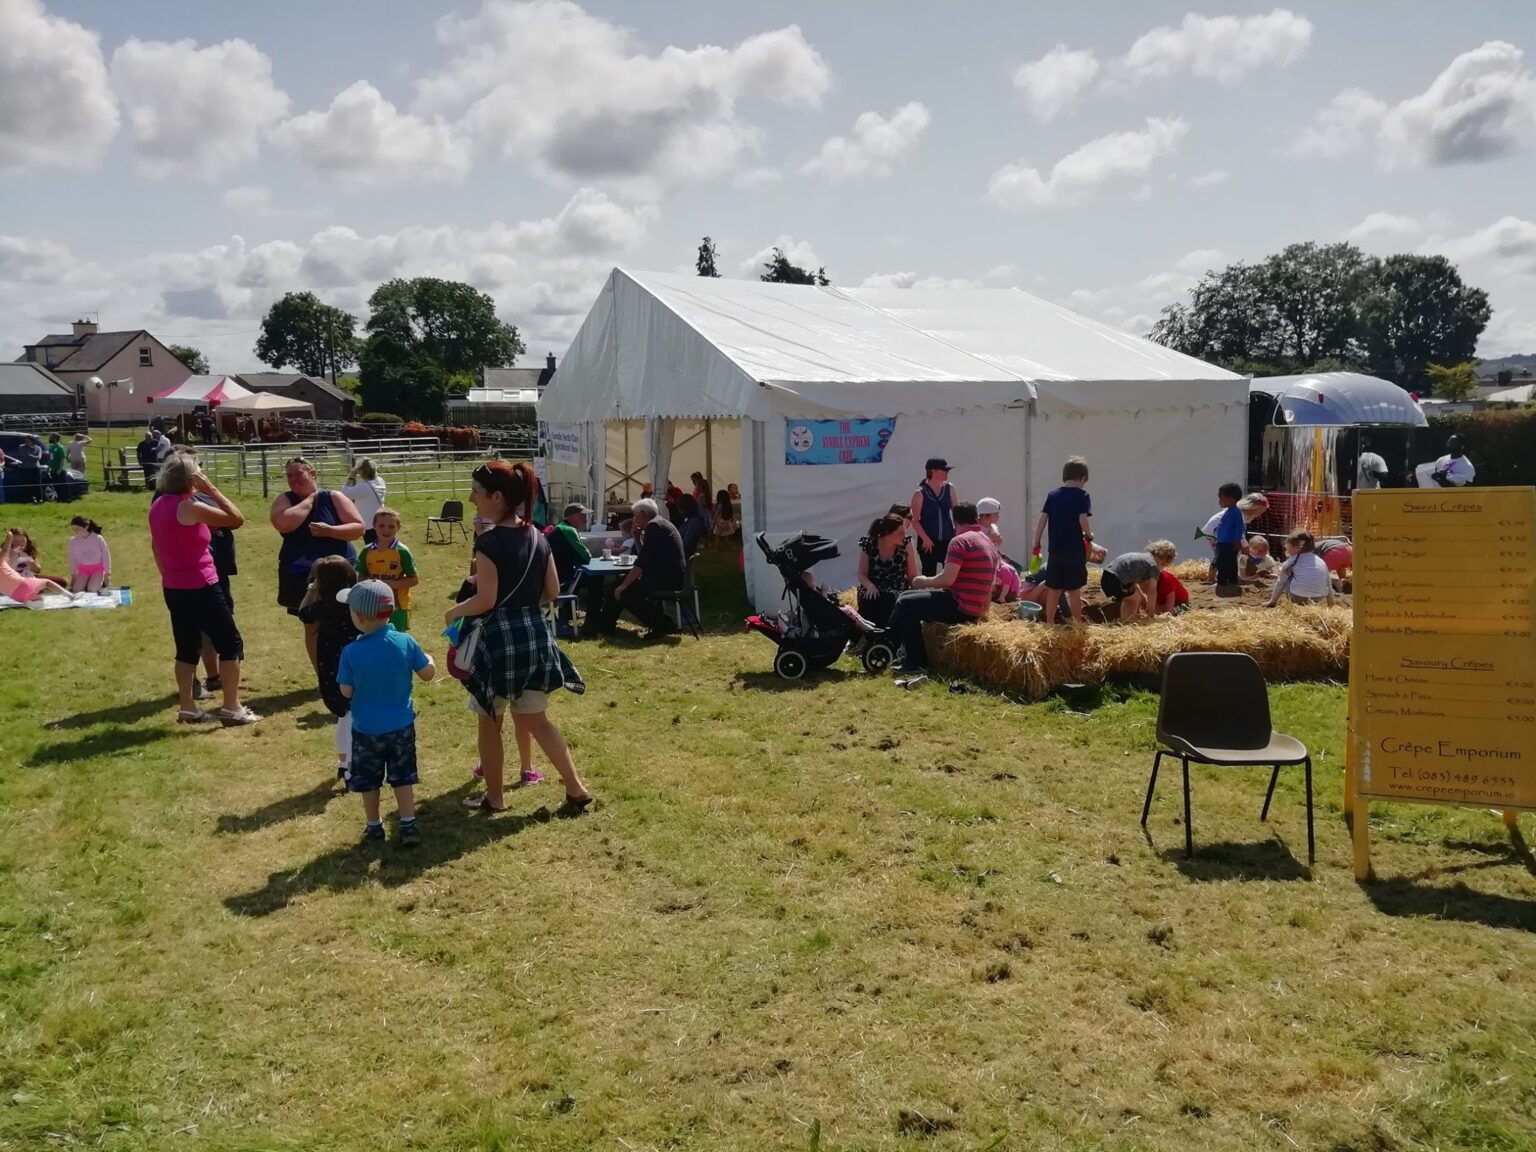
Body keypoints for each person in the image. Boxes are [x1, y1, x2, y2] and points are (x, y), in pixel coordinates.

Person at [446, 460, 593, 815]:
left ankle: (495, 799)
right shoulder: (538, 536)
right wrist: (525, 608)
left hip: (498, 641)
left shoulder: (489, 542)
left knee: (489, 720)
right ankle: (576, 788)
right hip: (536, 635)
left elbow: (486, 600)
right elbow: (553, 590)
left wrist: (455, 611)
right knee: (538, 721)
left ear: (497, 496)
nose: (471, 498)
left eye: (477, 493)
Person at [148, 454, 258, 725]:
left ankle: (188, 706)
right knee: (230, 643)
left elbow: (157, 546)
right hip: (202, 584)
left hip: (174, 586)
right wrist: (212, 490)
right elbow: (236, 519)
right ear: (191, 478)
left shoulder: (159, 504)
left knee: (186, 647)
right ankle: (232, 708)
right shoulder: (188, 507)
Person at [337, 580, 434, 846]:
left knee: (369, 782)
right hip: (401, 727)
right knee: (403, 779)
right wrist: (431, 660)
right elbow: (428, 674)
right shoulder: (405, 641)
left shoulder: (351, 652)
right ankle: (407, 824)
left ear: (358, 616)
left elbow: (345, 691)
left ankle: (374, 826)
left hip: (366, 729)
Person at [270, 457, 364, 671]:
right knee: (312, 624)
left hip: (339, 571)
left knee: (348, 620)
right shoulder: (284, 499)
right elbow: (284, 524)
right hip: (302, 573)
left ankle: (349, 671)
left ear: (313, 473)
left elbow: (358, 528)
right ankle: (323, 673)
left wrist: (330, 530)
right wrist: (311, 499)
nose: (294, 480)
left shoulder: (334, 497)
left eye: (299, 474)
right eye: (289, 476)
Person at [889, 501, 998, 675]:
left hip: (960, 607)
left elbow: (947, 579)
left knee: (904, 604)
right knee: (906, 596)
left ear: (955, 522)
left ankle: (914, 660)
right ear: (976, 519)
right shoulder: (988, 542)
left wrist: (923, 581)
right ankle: (891, 647)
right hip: (978, 607)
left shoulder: (960, 541)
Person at [298, 555, 362, 781]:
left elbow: (303, 613)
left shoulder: (321, 606)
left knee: (343, 716)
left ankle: (343, 762)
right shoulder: (355, 603)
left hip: (330, 665)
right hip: (355, 665)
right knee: (353, 715)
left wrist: (311, 591)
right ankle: (352, 765)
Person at [590, 497, 685, 638]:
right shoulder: (660, 523)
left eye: (635, 516)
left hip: (666, 579)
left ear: (642, 514)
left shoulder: (654, 526)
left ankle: (663, 625)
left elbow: (642, 562)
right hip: (668, 575)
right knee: (616, 584)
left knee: (625, 592)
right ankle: (605, 625)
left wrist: (624, 586)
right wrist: (636, 537)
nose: (634, 519)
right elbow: (646, 555)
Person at [1031, 457, 1093, 626]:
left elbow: (1043, 518)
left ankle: (1049, 622)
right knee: (1074, 590)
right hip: (1073, 550)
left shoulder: (1053, 494)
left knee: (1054, 589)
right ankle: (1077, 624)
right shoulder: (1083, 495)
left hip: (1055, 549)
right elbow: (1082, 518)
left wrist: (1036, 541)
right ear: (1082, 478)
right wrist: (1089, 534)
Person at [354, 507, 418, 632]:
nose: (386, 530)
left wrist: (391, 584)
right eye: (381, 526)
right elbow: (360, 577)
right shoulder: (367, 551)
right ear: (374, 526)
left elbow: (414, 579)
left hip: (398, 606)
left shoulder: (402, 552)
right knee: (373, 636)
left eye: (391, 526)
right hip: (372, 604)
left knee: (396, 638)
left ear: (398, 528)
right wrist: (372, 585)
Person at [857, 511, 918, 628]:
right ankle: (866, 635)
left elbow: (912, 575)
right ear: (887, 533)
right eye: (900, 533)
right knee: (870, 599)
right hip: (873, 585)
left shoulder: (906, 544)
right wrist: (869, 586)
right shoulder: (869, 543)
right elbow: (862, 574)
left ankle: (889, 635)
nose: (904, 536)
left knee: (890, 599)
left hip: (896, 586)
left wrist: (916, 594)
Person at [909, 457, 957, 577]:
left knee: (951, 575)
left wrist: (957, 534)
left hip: (948, 539)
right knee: (929, 575)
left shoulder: (949, 488)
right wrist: (925, 538)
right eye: (944, 470)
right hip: (928, 542)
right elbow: (914, 520)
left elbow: (957, 513)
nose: (947, 472)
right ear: (933, 471)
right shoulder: (920, 493)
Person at [0, 528, 71, 602]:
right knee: (44, 584)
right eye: (16, 541)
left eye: (23, 540)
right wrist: (13, 556)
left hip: (30, 579)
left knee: (62, 581)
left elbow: (38, 570)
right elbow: (6, 572)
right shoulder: (5, 554)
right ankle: (36, 592)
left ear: (26, 540)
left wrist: (32, 564)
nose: (20, 543)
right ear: (11, 542)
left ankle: (35, 593)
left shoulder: (28, 552)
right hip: (15, 582)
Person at [1267, 531, 1335, 607]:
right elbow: (1328, 584)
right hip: (1318, 599)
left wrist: (1273, 601)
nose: (1286, 550)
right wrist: (1331, 603)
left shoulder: (1292, 560)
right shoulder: (1321, 561)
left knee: (1286, 577)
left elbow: (1281, 582)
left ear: (1297, 548)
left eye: (1288, 547)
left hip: (1298, 597)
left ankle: (1291, 603)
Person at [1099, 550, 1161, 621]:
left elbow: (1135, 587)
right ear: (1164, 561)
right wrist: (1151, 615)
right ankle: (1127, 622)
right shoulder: (1154, 566)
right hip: (1116, 579)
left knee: (1135, 595)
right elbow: (1152, 591)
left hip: (1107, 575)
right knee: (1134, 599)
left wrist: (1144, 600)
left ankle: (1131, 618)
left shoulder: (1143, 559)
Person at [1211, 483, 1247, 597]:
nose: (1219, 501)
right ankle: (1230, 581)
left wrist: (1237, 539)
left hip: (1229, 543)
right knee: (1227, 562)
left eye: (1221, 497)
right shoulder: (1229, 511)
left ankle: (1224, 582)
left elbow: (1239, 527)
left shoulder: (1235, 512)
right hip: (1222, 543)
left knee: (1225, 562)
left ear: (1231, 498)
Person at [340, 459, 386, 540]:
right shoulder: (380, 481)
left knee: (373, 548)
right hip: (380, 520)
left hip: (370, 524)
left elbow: (344, 494)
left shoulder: (365, 487)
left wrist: (352, 476)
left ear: (362, 472)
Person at [66, 516, 111, 593]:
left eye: (78, 529)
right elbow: (72, 559)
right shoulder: (72, 542)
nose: (75, 532)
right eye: (74, 530)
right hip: (83, 570)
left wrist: (107, 573)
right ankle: (88, 582)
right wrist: (73, 576)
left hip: (98, 569)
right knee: (76, 590)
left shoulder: (98, 538)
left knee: (92, 590)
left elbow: (106, 556)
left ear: (86, 527)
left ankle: (100, 583)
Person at [1146, 540, 1189, 615]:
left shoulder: (1165, 578)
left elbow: (1171, 598)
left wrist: (1168, 613)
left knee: (1175, 610)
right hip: (1163, 601)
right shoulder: (1150, 575)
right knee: (1155, 609)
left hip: (1181, 604)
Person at [676, 492, 708, 556]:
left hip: (681, 556)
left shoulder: (694, 522)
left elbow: (687, 544)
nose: (679, 512)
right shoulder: (688, 520)